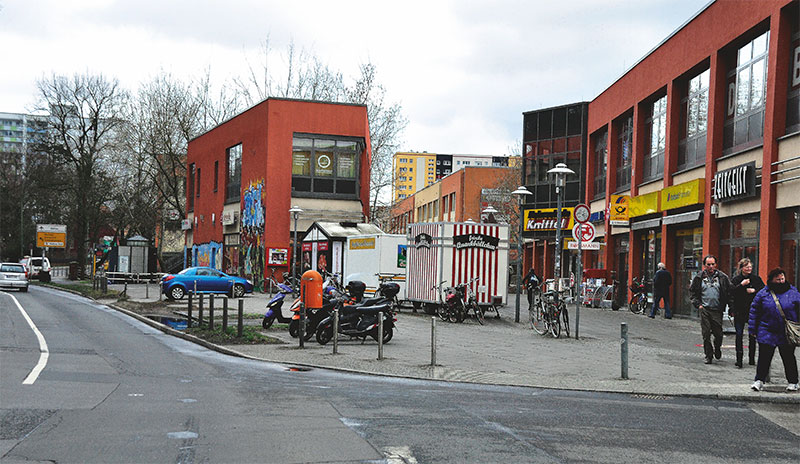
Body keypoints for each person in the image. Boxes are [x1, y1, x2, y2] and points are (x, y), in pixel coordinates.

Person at [748, 268, 799, 392]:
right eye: (778, 279)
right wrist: (752, 329)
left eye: (782, 279)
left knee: (788, 357)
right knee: (764, 357)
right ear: (771, 280)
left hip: (786, 331)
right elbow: (754, 312)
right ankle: (759, 380)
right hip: (767, 329)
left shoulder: (793, 292)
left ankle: (793, 381)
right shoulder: (763, 293)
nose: (781, 282)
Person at [690, 255, 732, 364]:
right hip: (705, 309)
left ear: (716, 264)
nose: (711, 266)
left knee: (718, 334)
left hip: (717, 309)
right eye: (708, 264)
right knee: (706, 333)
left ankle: (717, 347)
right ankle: (708, 355)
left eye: (713, 264)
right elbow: (693, 292)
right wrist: (698, 304)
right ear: (704, 265)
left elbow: (729, 291)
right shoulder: (699, 277)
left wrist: (731, 306)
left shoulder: (722, 277)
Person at [730, 258, 765, 368]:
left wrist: (754, 291)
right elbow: (732, 292)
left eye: (750, 266)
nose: (749, 269)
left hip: (753, 311)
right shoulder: (736, 279)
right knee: (739, 334)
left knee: (752, 335)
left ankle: (751, 359)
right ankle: (739, 359)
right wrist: (742, 286)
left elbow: (763, 291)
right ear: (741, 268)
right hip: (739, 310)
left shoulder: (756, 279)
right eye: (746, 267)